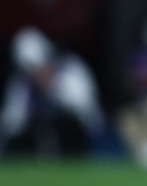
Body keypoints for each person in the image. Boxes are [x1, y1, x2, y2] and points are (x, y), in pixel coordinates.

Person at [0, 27, 103, 156]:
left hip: (77, 136)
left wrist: (53, 89)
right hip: (35, 140)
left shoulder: (72, 69)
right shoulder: (22, 84)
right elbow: (11, 123)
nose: (37, 74)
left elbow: (87, 113)